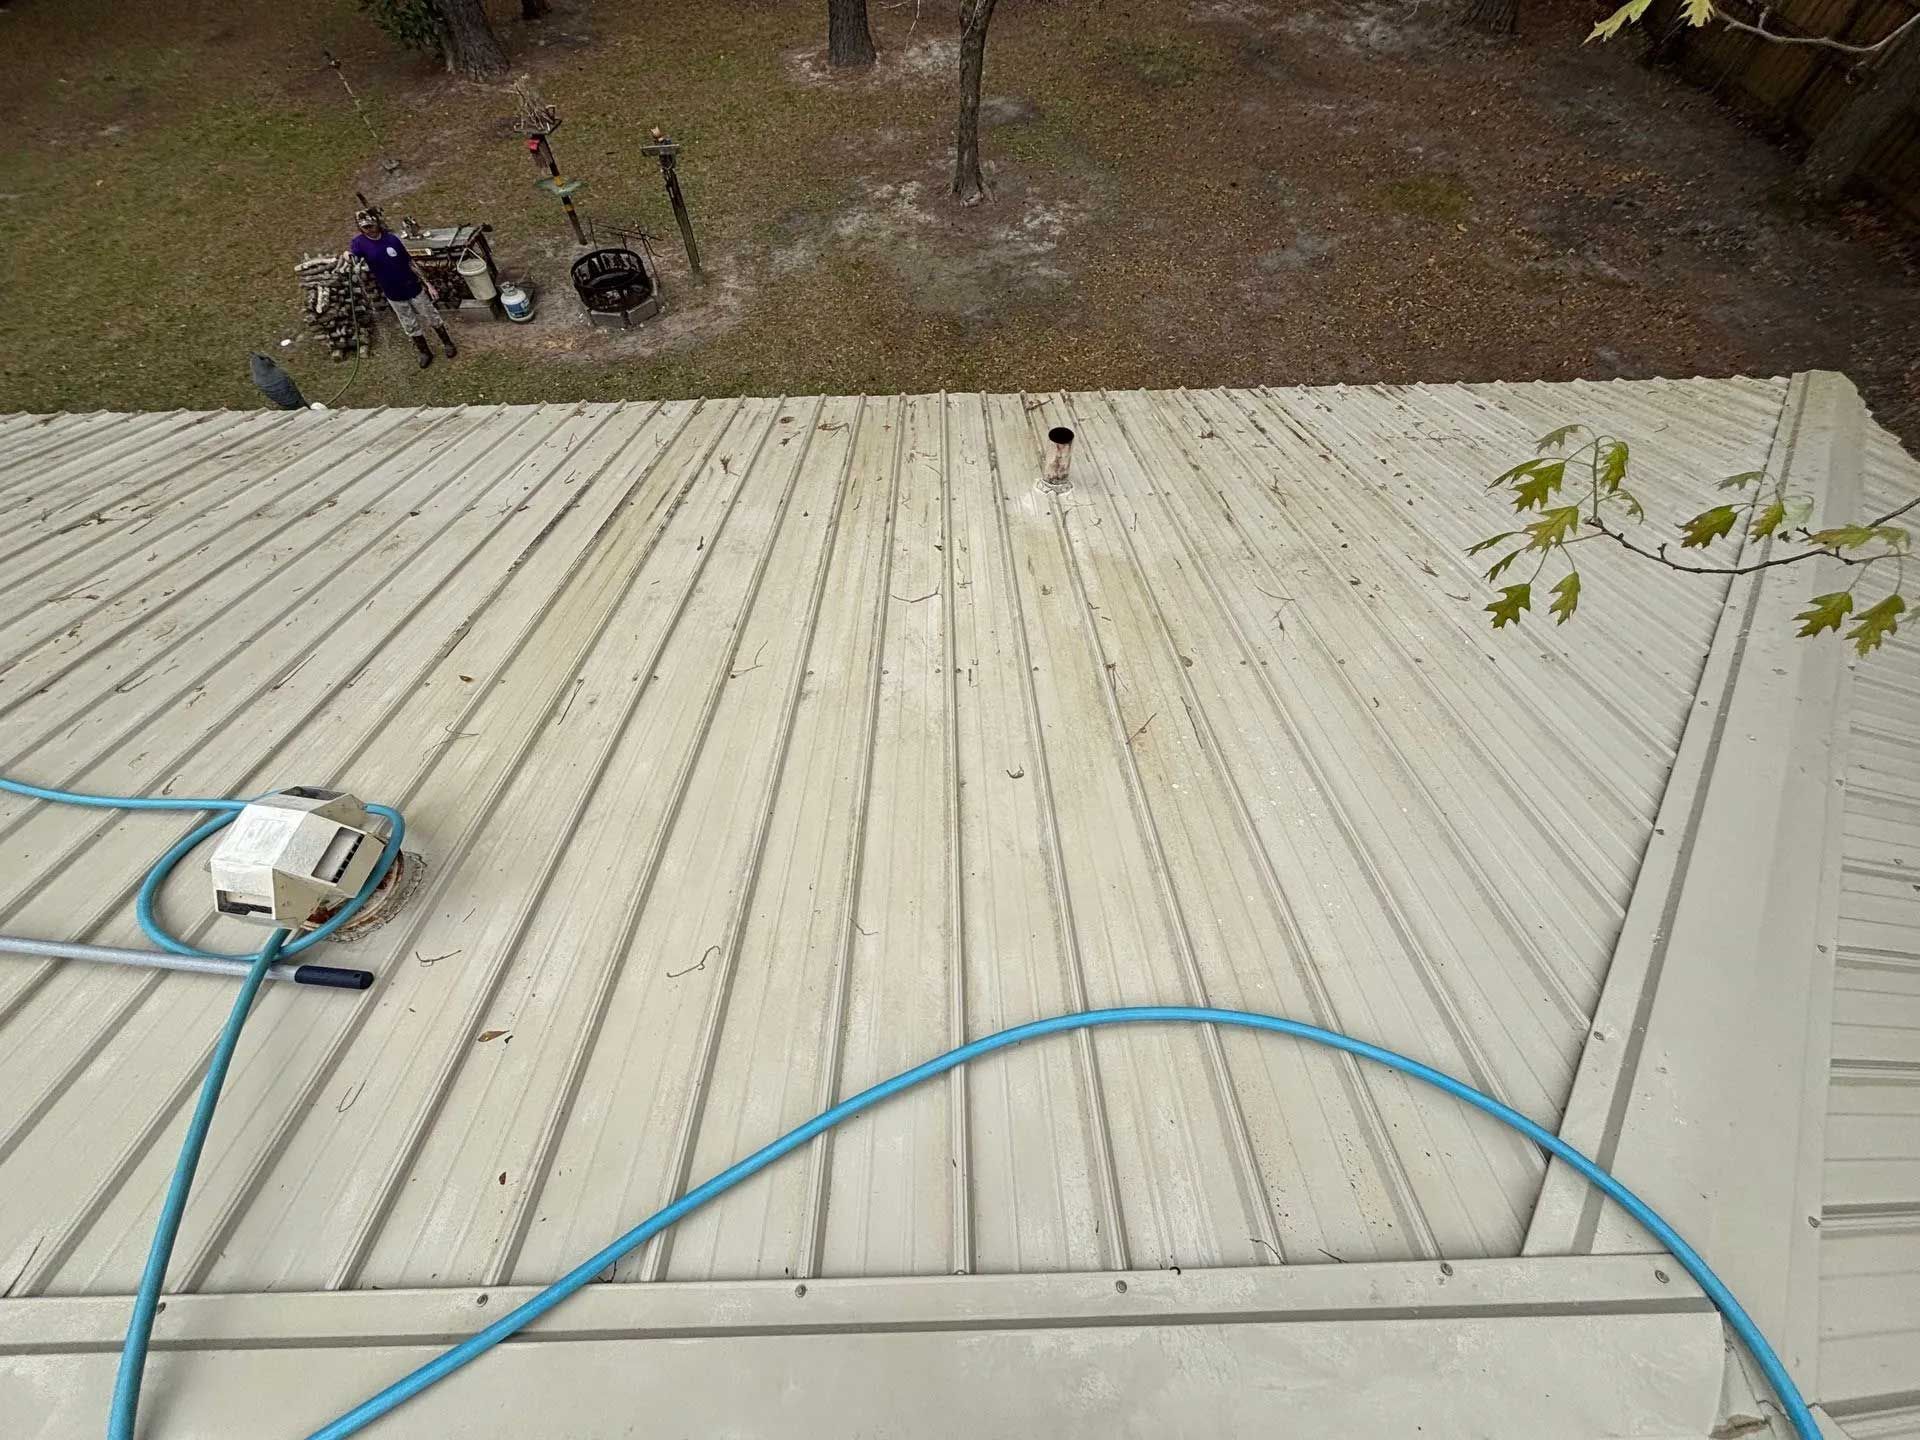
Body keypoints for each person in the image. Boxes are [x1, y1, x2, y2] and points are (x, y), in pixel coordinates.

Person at [347, 209, 458, 369]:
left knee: (431, 315)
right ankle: (424, 352)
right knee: (409, 324)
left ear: (377, 224)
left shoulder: (392, 240)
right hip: (393, 293)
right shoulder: (359, 243)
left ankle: (447, 343)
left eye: (370, 226)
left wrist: (428, 284)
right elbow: (353, 255)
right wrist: (348, 256)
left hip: (412, 287)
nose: (368, 230)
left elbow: (409, 262)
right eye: (364, 227)